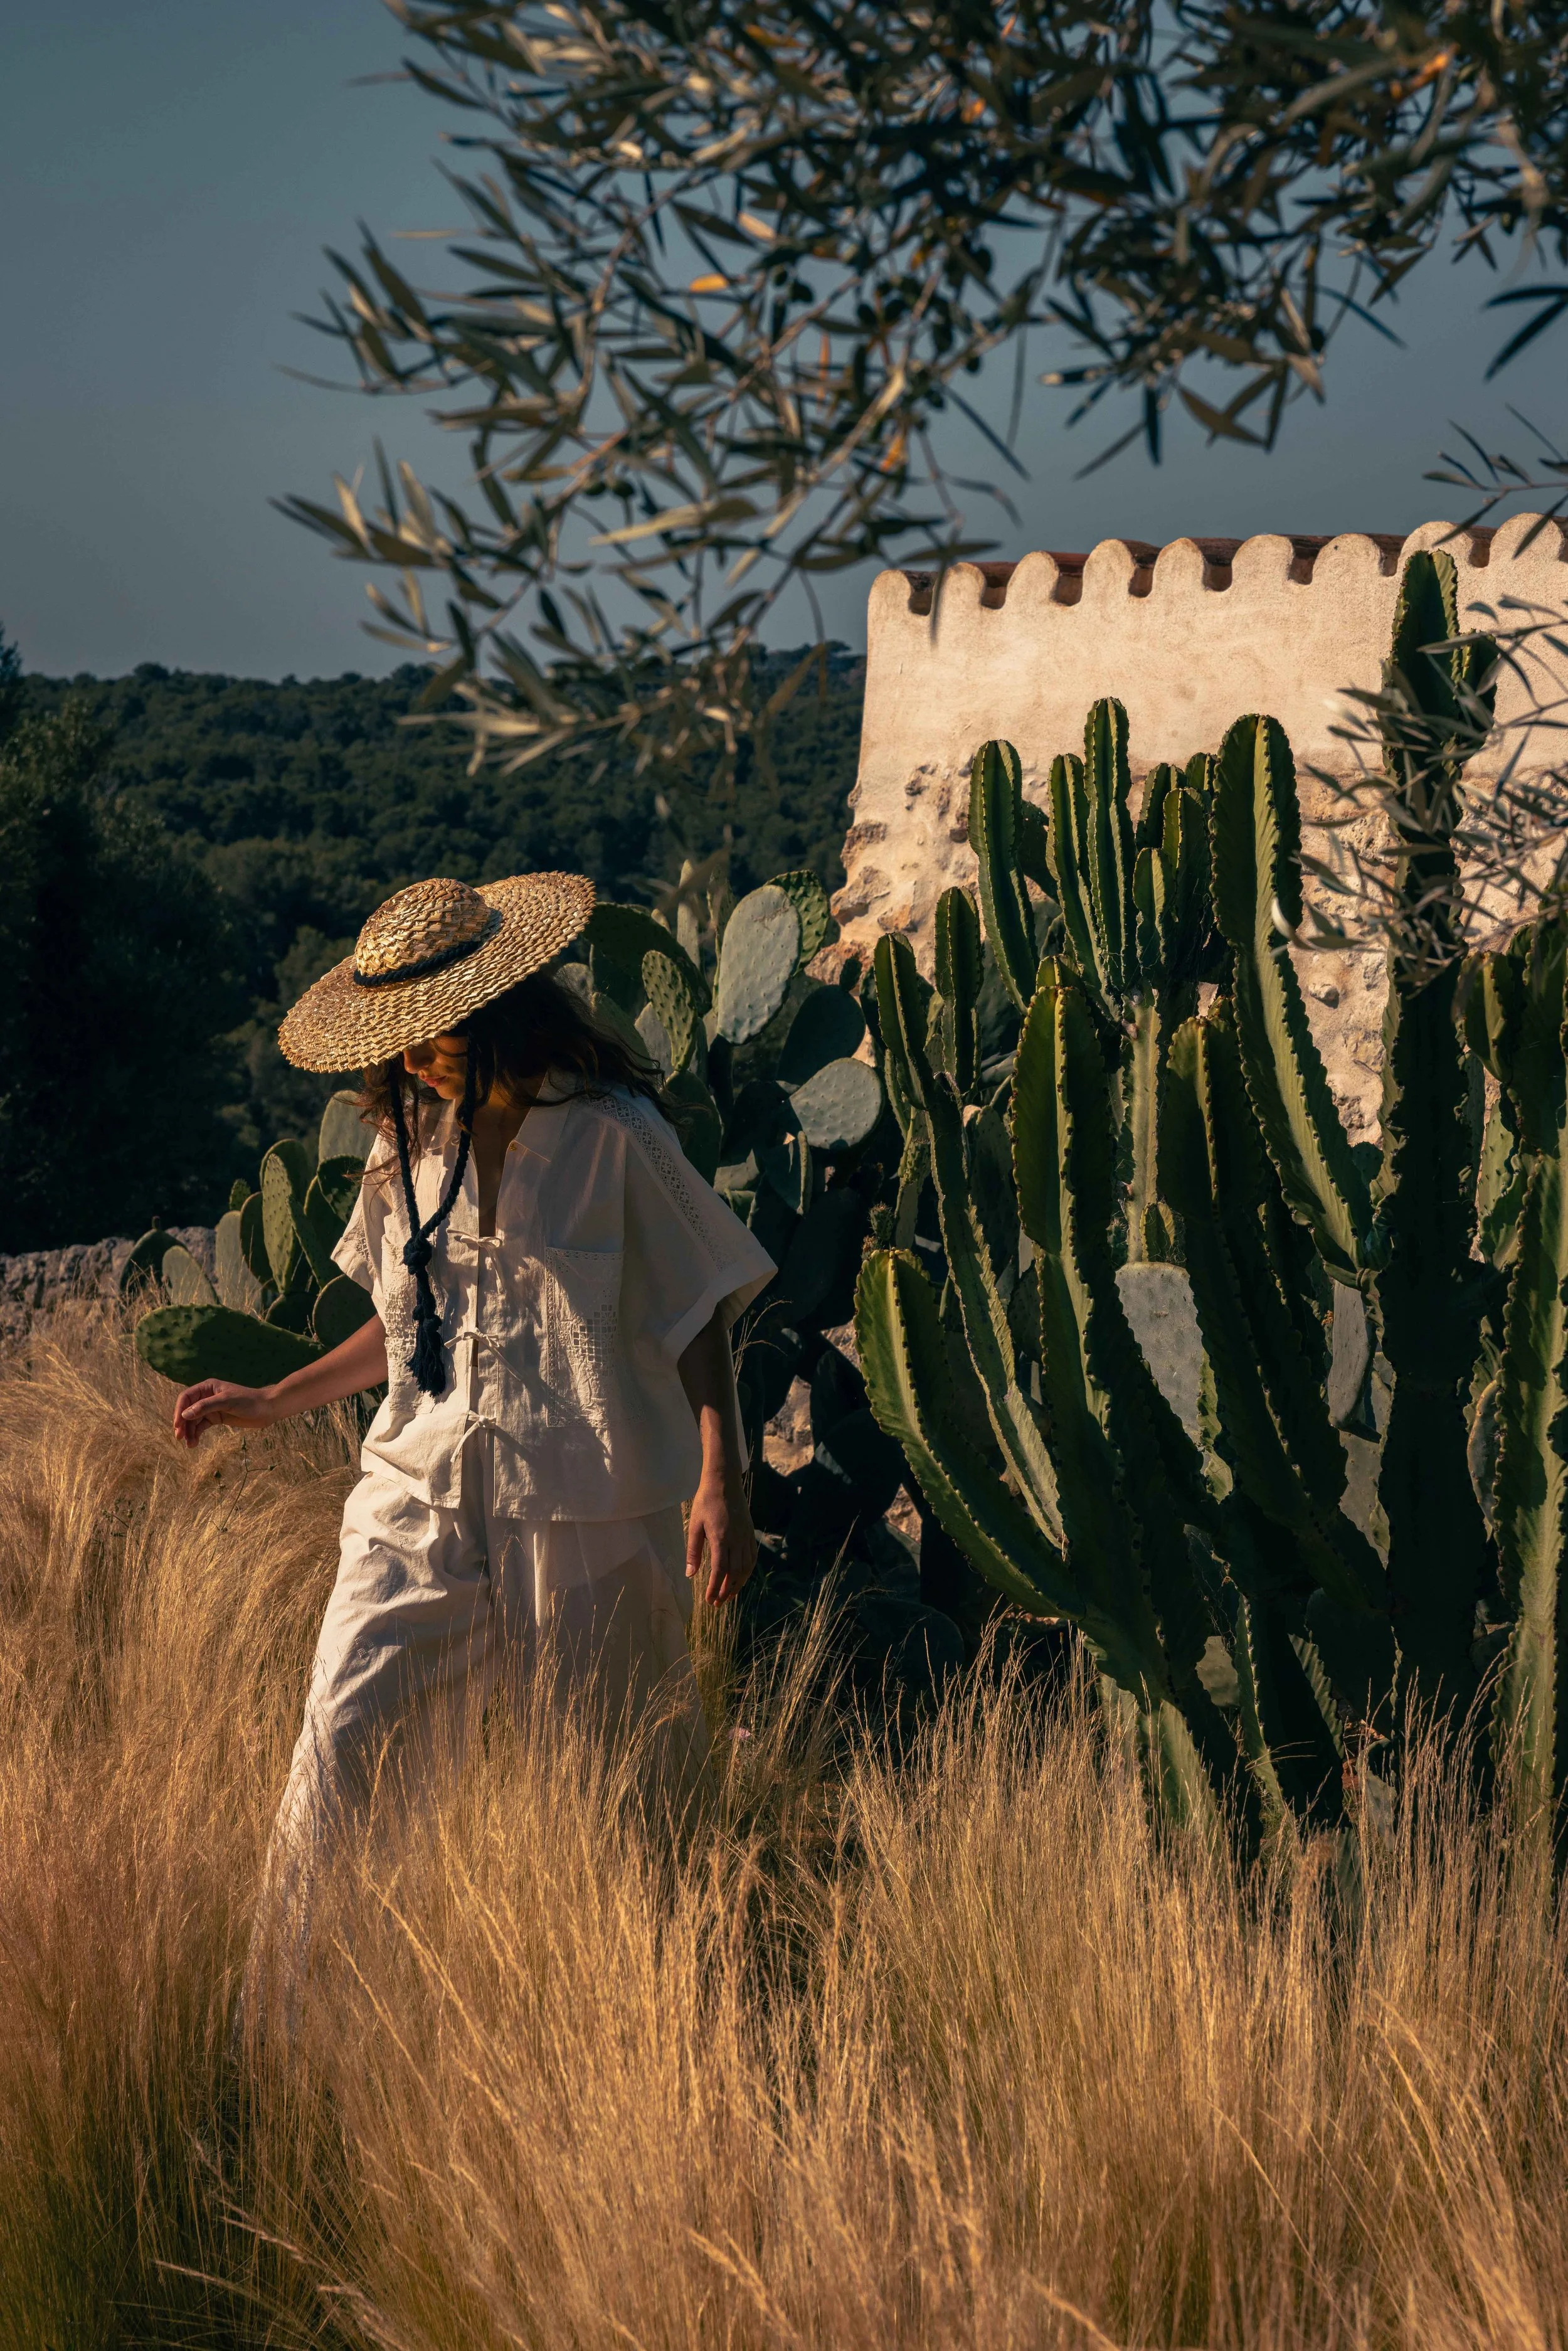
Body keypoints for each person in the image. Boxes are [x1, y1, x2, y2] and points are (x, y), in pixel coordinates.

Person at [171, 871, 774, 1991]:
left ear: (500, 1006)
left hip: (585, 1508)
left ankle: (658, 2030)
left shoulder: (614, 1138)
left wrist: (721, 1481)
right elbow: (406, 1328)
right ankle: (291, 2059)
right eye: (396, 1040)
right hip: (416, 1503)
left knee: (624, 1799)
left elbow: (696, 1310)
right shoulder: (409, 1143)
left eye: (431, 1033)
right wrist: (271, 1399)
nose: (411, 1058)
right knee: (340, 1757)